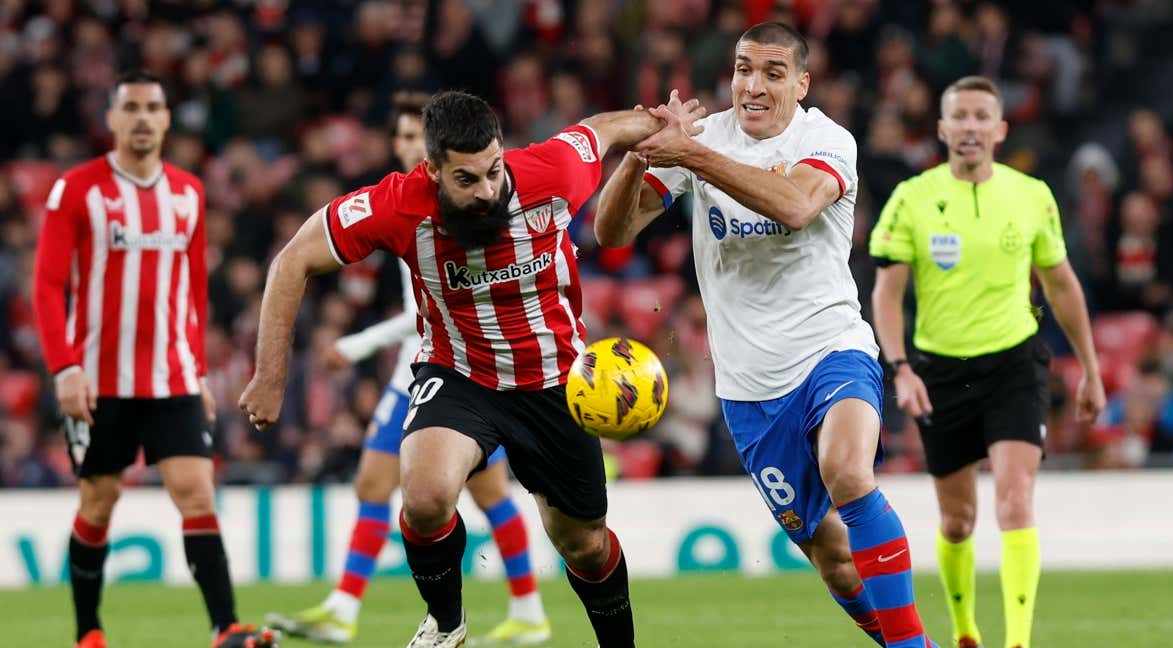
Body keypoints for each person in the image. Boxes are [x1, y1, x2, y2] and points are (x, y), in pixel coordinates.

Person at [240, 90, 702, 647]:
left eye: (492, 171)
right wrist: (270, 377)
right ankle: (447, 623)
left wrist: (661, 124)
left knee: (584, 545)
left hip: (557, 382)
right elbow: (293, 259)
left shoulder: (552, 170)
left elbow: (603, 129)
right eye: (466, 180)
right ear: (431, 170)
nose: (486, 191)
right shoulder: (398, 206)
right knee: (427, 492)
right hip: (460, 374)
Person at [594, 22, 937, 648]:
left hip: (830, 348)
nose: (752, 85)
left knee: (848, 472)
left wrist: (689, 154)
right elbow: (612, 233)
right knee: (833, 558)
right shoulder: (706, 137)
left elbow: (795, 206)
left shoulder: (827, 140)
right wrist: (643, 154)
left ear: (801, 84)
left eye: (772, 73)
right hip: (748, 387)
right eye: (743, 68)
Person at [266, 96, 551, 646]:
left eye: (410, 137)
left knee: (489, 494)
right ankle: (344, 607)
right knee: (375, 481)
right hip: (417, 369)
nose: (403, 146)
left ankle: (529, 610)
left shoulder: (462, 210)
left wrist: (354, 346)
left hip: (462, 368)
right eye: (397, 137)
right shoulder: (399, 208)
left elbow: (432, 312)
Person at [32, 70, 276, 648]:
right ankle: (88, 631)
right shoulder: (78, 190)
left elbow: (192, 292)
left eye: (154, 108)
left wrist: (196, 373)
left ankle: (227, 628)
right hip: (98, 381)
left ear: (167, 119)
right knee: (99, 500)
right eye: (132, 107)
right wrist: (64, 368)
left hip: (171, 379)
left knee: (196, 491)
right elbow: (45, 286)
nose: (143, 118)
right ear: (112, 119)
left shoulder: (188, 192)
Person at [869, 75, 1106, 648]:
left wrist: (1092, 370)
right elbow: (886, 292)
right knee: (957, 521)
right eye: (961, 116)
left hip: (1014, 363)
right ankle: (965, 631)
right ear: (943, 128)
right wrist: (901, 368)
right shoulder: (913, 197)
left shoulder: (1031, 196)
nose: (970, 127)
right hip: (939, 371)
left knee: (1015, 498)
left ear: (999, 130)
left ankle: (1018, 640)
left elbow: (1063, 286)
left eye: (982, 117)